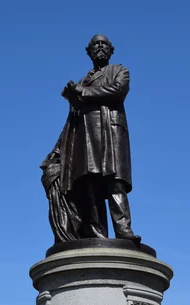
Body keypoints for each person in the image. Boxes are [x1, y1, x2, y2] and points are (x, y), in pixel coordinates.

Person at [42, 34, 140, 243]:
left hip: (110, 133)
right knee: (90, 186)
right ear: (88, 51)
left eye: (104, 43)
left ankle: (124, 230)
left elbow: (117, 91)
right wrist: (57, 149)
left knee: (115, 183)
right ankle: (98, 235)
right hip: (85, 138)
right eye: (95, 44)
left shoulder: (119, 71)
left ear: (111, 49)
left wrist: (82, 92)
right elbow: (71, 119)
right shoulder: (82, 81)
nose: (100, 46)